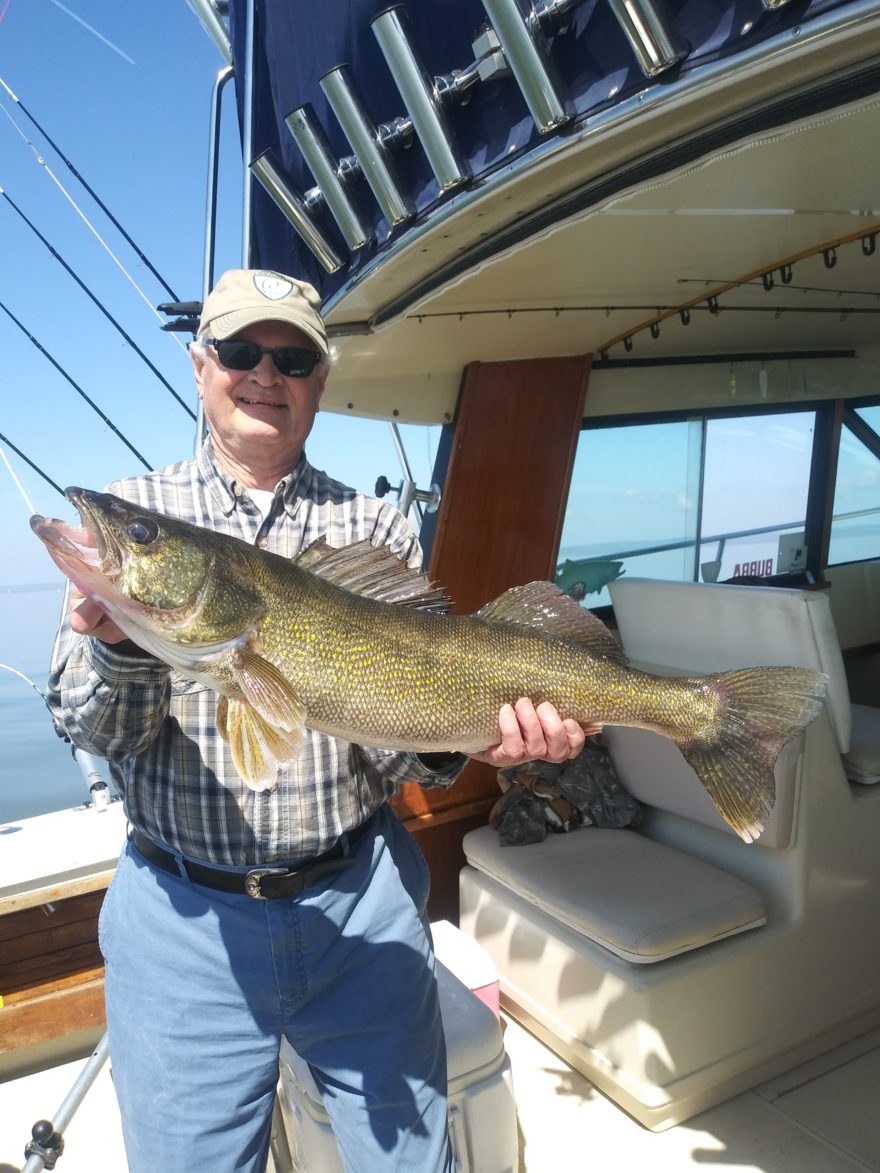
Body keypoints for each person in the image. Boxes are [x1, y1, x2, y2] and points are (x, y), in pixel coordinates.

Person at [47, 268, 592, 1173]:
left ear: (320, 381)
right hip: (184, 922)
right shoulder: (144, 509)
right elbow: (92, 726)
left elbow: (395, 751)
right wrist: (120, 644)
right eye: (240, 351)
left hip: (361, 899)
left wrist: (477, 738)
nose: (266, 373)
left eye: (292, 357)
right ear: (200, 365)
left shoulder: (373, 526)